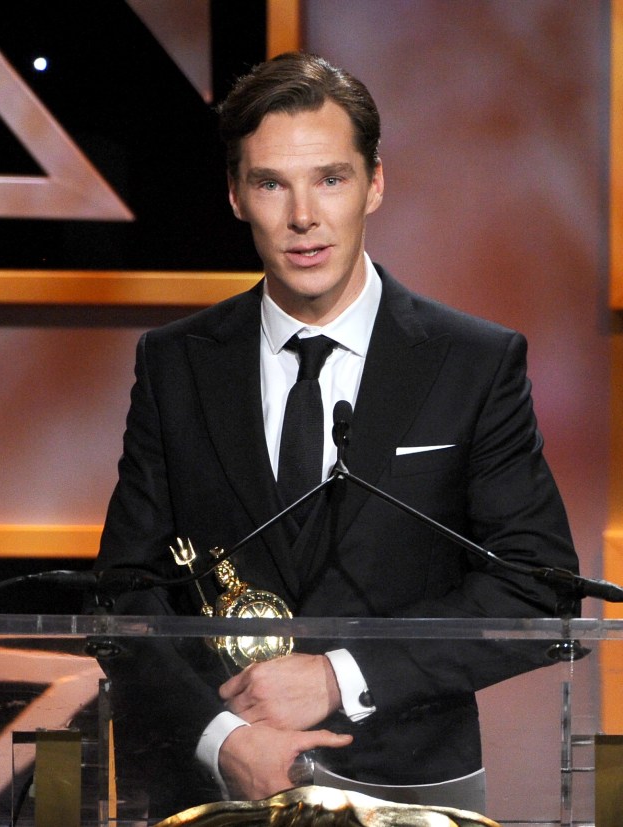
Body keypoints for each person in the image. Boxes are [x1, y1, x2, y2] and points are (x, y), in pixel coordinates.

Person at [92, 52, 579, 817]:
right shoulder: (177, 364)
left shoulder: (472, 364)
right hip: (216, 796)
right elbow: (126, 592)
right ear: (235, 195)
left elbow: (534, 590)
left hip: (413, 792)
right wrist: (223, 738)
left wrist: (340, 674)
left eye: (330, 178)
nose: (303, 217)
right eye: (270, 183)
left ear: (374, 183)